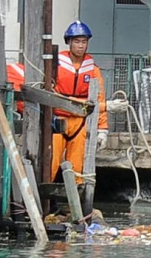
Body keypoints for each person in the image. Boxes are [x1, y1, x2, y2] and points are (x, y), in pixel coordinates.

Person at [51, 20, 108, 183]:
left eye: (84, 42)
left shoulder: (92, 69)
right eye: (77, 41)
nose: (80, 46)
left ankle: (75, 206)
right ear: (69, 42)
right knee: (51, 163)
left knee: (78, 167)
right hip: (57, 119)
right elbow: (48, 91)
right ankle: (44, 204)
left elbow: (99, 100)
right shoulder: (56, 64)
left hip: (80, 121)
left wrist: (103, 129)